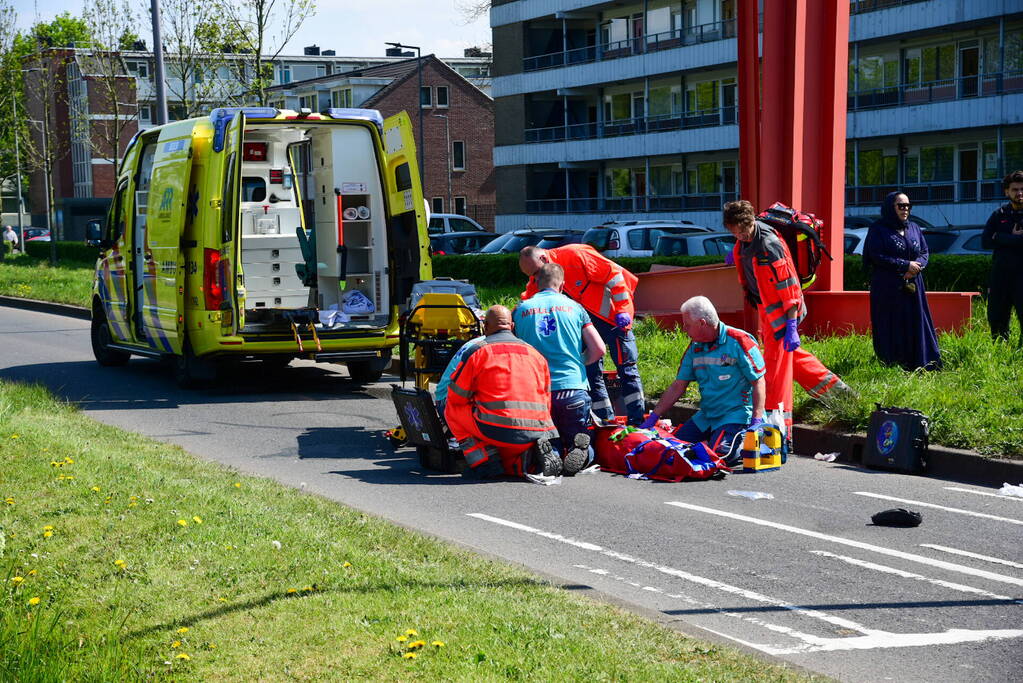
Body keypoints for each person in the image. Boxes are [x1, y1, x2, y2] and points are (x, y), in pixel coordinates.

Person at [723, 200, 851, 438]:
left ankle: (779, 429)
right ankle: (841, 394)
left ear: (751, 222)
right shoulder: (745, 243)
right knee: (792, 359)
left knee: (775, 369)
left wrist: (791, 325)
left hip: (782, 314)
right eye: (735, 233)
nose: (740, 236)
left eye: (743, 231)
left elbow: (789, 287)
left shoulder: (769, 244)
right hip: (768, 311)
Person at [519, 244, 644, 425]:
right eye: (532, 276)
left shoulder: (576, 256)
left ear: (544, 259)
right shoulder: (539, 276)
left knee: (627, 368)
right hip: (587, 324)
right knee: (591, 373)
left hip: (614, 318)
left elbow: (615, 277)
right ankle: (604, 420)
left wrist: (623, 310)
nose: (537, 279)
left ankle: (637, 421)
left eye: (537, 273)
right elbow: (528, 300)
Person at [640, 296, 765, 466]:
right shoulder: (694, 347)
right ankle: (711, 441)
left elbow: (759, 381)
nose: (684, 329)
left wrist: (756, 421)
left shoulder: (739, 341)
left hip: (736, 415)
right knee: (672, 449)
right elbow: (678, 386)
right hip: (707, 416)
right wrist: (654, 417)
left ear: (702, 323)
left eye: (687, 325)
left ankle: (744, 441)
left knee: (721, 456)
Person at [445, 305, 561, 478]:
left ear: (485, 326)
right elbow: (546, 400)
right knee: (509, 455)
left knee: (451, 409)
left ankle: (484, 462)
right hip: (538, 430)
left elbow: (456, 397)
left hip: (496, 431)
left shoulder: (478, 351)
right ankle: (527, 461)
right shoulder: (536, 354)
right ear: (512, 326)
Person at [513, 263, 606, 474]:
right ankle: (581, 450)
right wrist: (579, 363)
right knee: (579, 434)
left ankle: (551, 452)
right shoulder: (576, 308)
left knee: (546, 434)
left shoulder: (520, 309)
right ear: (562, 285)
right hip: (572, 388)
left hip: (537, 392)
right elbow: (599, 349)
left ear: (536, 283)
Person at [863, 192, 942, 370]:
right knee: (891, 323)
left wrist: (916, 267)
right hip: (887, 286)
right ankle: (893, 363)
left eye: (908, 206)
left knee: (915, 321)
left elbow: (924, 252)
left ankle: (921, 362)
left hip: (913, 284)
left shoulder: (914, 227)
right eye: (900, 206)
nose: (905, 209)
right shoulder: (878, 229)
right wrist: (904, 265)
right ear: (890, 207)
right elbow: (876, 255)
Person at [981, 170, 1023, 344]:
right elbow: (985, 241)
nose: (1019, 193)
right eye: (1015, 189)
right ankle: (1000, 354)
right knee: (996, 319)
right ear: (1007, 192)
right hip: (1001, 276)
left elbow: (993, 239)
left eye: (1022, 189)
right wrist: (1012, 238)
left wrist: (999, 237)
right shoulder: (999, 214)